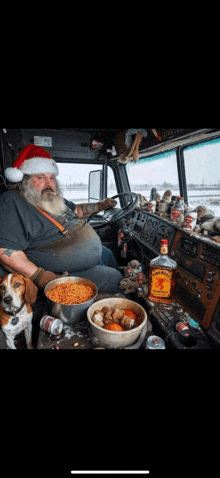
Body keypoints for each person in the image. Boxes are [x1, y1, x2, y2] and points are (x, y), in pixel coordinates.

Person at [0, 144, 123, 294]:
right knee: (115, 278)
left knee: (108, 255)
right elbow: (5, 251)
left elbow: (77, 210)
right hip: (55, 273)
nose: (49, 183)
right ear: (24, 180)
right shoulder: (11, 202)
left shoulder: (50, 198)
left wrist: (100, 205)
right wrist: (40, 277)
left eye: (51, 177)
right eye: (41, 177)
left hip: (77, 257)